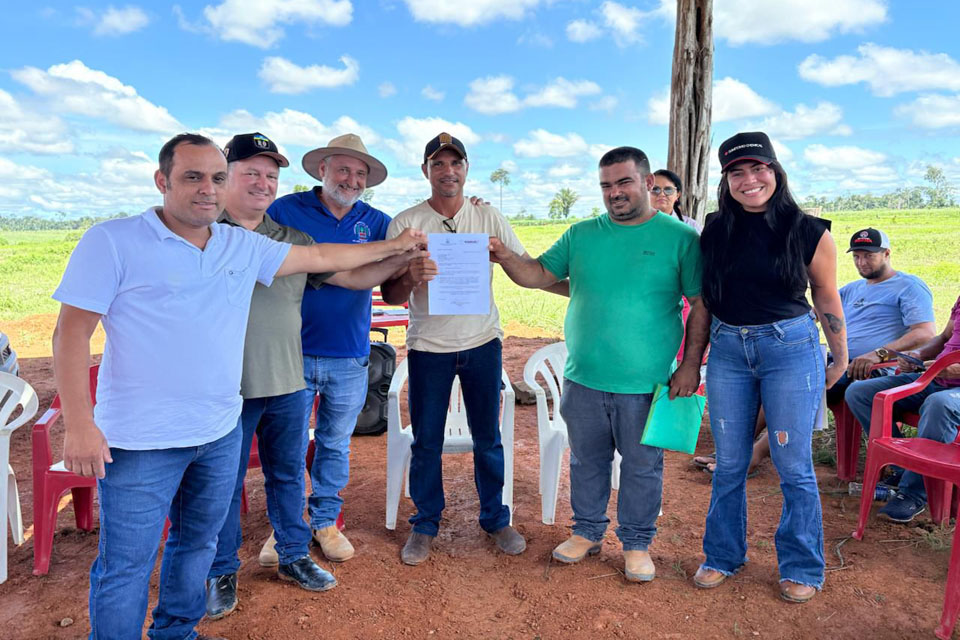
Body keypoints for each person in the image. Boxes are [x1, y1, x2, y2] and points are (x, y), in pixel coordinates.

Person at [51, 133, 425, 638]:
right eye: (193, 177)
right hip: (141, 440)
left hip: (218, 429)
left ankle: (178, 631)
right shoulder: (114, 240)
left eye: (216, 178)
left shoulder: (239, 245)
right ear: (162, 180)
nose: (207, 188)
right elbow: (71, 333)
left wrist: (399, 247)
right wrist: (79, 425)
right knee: (126, 566)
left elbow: (321, 258)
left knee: (195, 545)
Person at [205, 133, 423, 620]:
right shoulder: (209, 232)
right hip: (232, 380)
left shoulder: (289, 238)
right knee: (225, 475)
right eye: (251, 173)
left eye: (270, 175)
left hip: (287, 373)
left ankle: (293, 552)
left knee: (289, 467)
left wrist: (403, 255)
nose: (263, 184)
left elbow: (345, 271)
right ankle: (220, 568)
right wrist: (396, 248)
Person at [489, 146, 707, 583]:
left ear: (648, 182)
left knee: (642, 467)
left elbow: (701, 304)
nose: (614, 192)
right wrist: (505, 255)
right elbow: (538, 275)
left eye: (624, 182)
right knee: (587, 462)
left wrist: (690, 365)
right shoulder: (582, 234)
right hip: (583, 377)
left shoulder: (680, 238)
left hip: (646, 382)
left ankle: (637, 543)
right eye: (606, 185)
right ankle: (586, 532)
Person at [693, 131, 848, 604]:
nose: (749, 180)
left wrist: (840, 355)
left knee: (792, 464)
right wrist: (692, 360)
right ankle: (723, 555)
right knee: (730, 462)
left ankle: (801, 565)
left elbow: (825, 295)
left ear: (775, 171)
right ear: (726, 181)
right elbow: (705, 299)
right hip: (728, 351)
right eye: (736, 172)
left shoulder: (809, 231)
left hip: (791, 350)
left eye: (758, 168)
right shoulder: (715, 228)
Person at [380, 132, 528, 565]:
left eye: (455, 163)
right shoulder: (407, 223)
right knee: (426, 440)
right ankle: (425, 523)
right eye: (438, 164)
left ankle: (495, 519)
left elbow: (521, 265)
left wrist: (501, 254)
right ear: (425, 170)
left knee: (488, 438)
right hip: (430, 347)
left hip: (482, 343)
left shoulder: (488, 216)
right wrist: (412, 276)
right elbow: (390, 293)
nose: (448, 171)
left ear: (466, 168)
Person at [693, 226, 936, 475]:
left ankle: (753, 456)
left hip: (875, 368)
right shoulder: (853, 288)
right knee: (780, 378)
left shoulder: (908, 287)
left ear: (886, 253)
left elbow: (925, 333)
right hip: (838, 361)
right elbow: (816, 312)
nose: (861, 262)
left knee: (802, 387)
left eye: (868, 256)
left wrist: (879, 354)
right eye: (856, 256)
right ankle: (735, 452)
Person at [267, 133, 394, 563]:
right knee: (286, 445)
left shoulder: (377, 222)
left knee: (335, 443)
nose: (351, 180)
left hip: (349, 352)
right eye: (343, 169)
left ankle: (325, 521)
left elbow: (395, 270)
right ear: (322, 170)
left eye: (360, 174)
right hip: (290, 351)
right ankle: (284, 526)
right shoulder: (285, 210)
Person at [845, 294, 960, 523]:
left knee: (939, 404)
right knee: (860, 393)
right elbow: (944, 337)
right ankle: (904, 467)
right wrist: (918, 355)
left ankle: (913, 493)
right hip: (936, 378)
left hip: (950, 389)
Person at [652, 169, 703, 233]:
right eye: (655, 189)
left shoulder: (692, 227)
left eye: (668, 190)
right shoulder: (639, 225)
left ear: (677, 195)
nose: (662, 194)